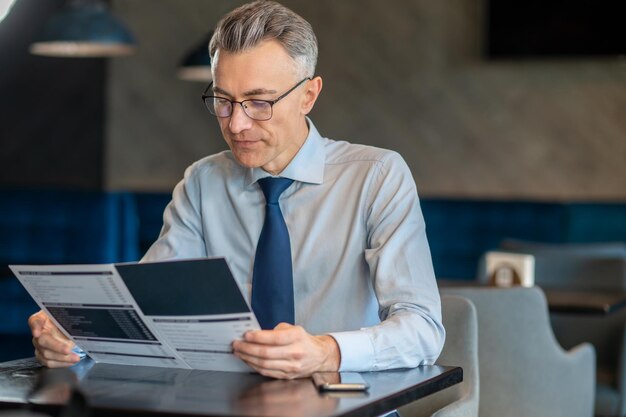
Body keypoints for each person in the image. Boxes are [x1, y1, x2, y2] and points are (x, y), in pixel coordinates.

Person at [28, 0, 445, 379]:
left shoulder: (376, 176)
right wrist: (73, 335)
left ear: (308, 96)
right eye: (223, 100)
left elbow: (422, 329)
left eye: (259, 102)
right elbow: (149, 307)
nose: (237, 124)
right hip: (228, 400)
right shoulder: (202, 182)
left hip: (343, 402)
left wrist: (326, 351)